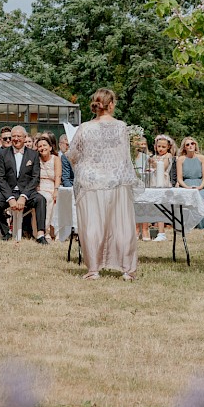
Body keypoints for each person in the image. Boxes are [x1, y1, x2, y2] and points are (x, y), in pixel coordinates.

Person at [68, 88, 141, 280]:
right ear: (111, 104)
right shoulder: (121, 127)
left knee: (92, 225)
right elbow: (125, 157)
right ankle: (127, 269)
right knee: (122, 225)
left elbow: (72, 154)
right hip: (116, 179)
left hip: (90, 180)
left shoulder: (84, 127)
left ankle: (93, 269)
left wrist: (84, 169)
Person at [0, 125, 48, 243]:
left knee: (41, 200)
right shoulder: (3, 154)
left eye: (18, 136)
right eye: (13, 136)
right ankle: (6, 231)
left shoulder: (33, 155)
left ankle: (40, 234)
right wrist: (10, 197)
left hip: (26, 191)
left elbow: (35, 178)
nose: (16, 139)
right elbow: (0, 177)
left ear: (25, 137)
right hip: (8, 190)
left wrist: (24, 196)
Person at [177, 136, 204, 229]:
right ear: (184, 147)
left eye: (192, 143)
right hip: (186, 184)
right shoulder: (181, 159)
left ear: (195, 145)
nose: (190, 146)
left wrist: (200, 187)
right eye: (187, 144)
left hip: (199, 184)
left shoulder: (202, 158)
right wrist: (186, 187)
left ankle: (201, 225)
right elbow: (179, 179)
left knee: (199, 196)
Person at [148, 134, 175, 241]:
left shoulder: (167, 156)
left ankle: (161, 232)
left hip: (162, 183)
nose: (161, 149)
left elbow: (162, 167)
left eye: (163, 147)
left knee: (161, 207)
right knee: (153, 206)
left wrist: (153, 163)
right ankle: (150, 229)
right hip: (153, 182)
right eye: (159, 146)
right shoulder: (153, 157)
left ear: (168, 147)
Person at [34, 134, 61, 240]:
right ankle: (44, 231)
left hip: (53, 186)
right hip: (40, 187)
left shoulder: (56, 159)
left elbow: (58, 176)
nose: (42, 148)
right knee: (47, 199)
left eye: (44, 145)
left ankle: (57, 232)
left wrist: (56, 190)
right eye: (40, 146)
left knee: (58, 199)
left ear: (50, 147)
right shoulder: (36, 159)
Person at [131, 135, 152, 240]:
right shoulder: (128, 157)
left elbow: (150, 170)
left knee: (144, 205)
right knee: (134, 207)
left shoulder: (145, 158)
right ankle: (135, 229)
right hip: (131, 186)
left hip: (143, 184)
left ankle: (145, 229)